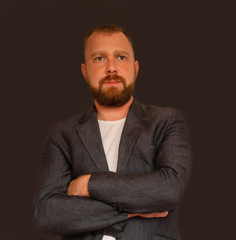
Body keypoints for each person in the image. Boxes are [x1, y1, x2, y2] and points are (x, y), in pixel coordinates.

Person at [33, 24, 192, 240]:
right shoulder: (63, 135)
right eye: (99, 58)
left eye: (121, 57)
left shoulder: (166, 121)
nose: (111, 68)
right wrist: (132, 210)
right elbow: (47, 213)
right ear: (85, 72)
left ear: (135, 69)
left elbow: (169, 190)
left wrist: (90, 184)